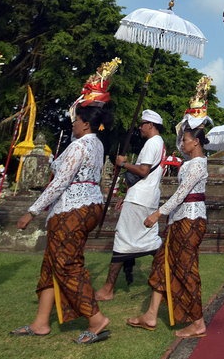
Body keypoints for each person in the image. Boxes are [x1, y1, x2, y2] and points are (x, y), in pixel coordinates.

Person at [12, 104, 112, 343]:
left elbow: (60, 182)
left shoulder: (79, 146)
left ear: (86, 124)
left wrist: (32, 211)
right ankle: (41, 322)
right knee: (51, 263)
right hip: (89, 205)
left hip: (73, 208)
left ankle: (96, 318)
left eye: (76, 121)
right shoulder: (96, 143)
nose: (73, 124)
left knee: (67, 263)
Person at [127, 125, 210, 339]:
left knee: (185, 269)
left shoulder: (199, 164)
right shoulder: (189, 163)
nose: (182, 144)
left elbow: (181, 194)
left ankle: (198, 322)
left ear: (196, 142)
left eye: (185, 140)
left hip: (191, 219)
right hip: (179, 220)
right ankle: (151, 315)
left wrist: (158, 214)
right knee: (162, 263)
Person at [95, 109, 166, 301]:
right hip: (144, 197)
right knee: (150, 240)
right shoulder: (157, 143)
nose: (140, 128)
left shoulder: (153, 143)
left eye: (143, 124)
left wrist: (124, 164)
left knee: (123, 239)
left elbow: (143, 170)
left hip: (140, 199)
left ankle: (108, 288)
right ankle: (169, 275)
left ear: (150, 125)